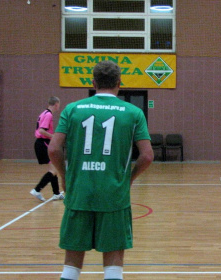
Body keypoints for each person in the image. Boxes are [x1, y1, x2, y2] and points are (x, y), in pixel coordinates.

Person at [48, 60, 154, 280]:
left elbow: (54, 149)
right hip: (114, 194)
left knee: (71, 266)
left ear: (93, 82)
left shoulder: (73, 109)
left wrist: (65, 177)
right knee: (113, 266)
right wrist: (129, 179)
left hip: (79, 192)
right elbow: (147, 156)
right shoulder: (133, 112)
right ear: (119, 82)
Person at [30, 96, 64, 202]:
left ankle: (56, 193)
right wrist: (54, 137)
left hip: (42, 143)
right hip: (43, 143)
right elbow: (42, 131)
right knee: (53, 170)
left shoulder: (44, 113)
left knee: (53, 169)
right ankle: (37, 189)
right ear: (56, 104)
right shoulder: (48, 115)